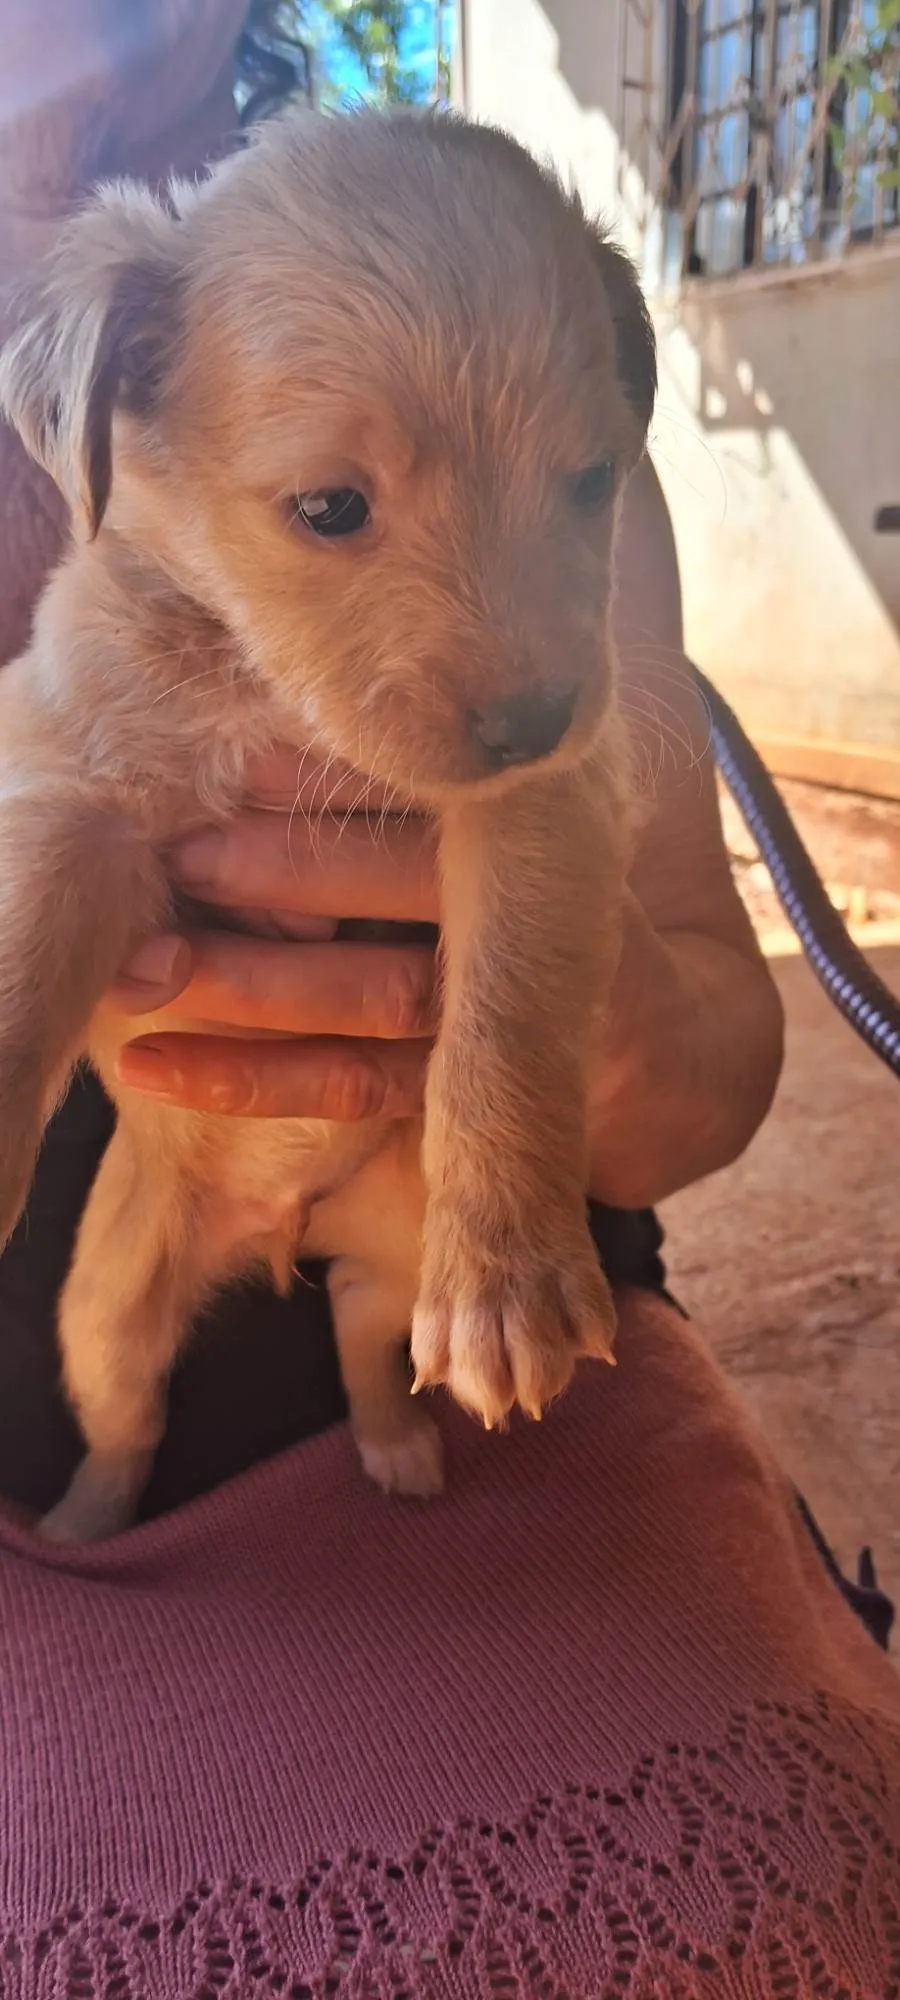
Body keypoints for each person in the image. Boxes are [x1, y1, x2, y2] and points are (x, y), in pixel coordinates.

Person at [0, 7, 898, 1993]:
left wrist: (545, 1103)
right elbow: (60, 827)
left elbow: (705, 1023)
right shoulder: (138, 334)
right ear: (100, 430)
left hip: (502, 1367)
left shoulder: (489, 270)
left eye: (580, 479)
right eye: (334, 510)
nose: (513, 662)